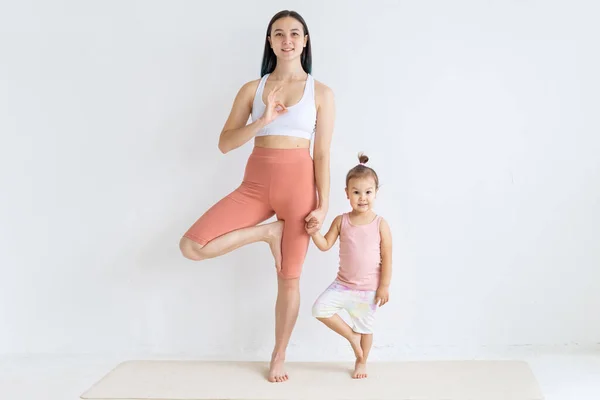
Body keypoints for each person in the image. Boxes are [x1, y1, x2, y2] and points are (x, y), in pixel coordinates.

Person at [178, 10, 335, 383]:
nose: (287, 40)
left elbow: (323, 153)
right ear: (270, 41)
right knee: (191, 245)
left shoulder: (322, 93)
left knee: (289, 278)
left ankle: (279, 355)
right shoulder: (253, 88)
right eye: (278, 34)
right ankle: (268, 233)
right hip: (254, 186)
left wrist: (324, 203)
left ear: (305, 40)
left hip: (299, 189)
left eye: (295, 33)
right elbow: (224, 143)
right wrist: (263, 120)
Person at [306, 154, 392, 379]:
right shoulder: (341, 221)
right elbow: (324, 245)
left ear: (375, 193)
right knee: (319, 309)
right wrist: (314, 232)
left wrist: (384, 286)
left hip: (368, 290)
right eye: (356, 192)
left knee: (366, 329)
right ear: (347, 193)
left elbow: (388, 257)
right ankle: (351, 337)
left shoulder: (380, 224)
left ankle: (361, 361)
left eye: (367, 192)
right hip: (342, 285)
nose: (362, 198)